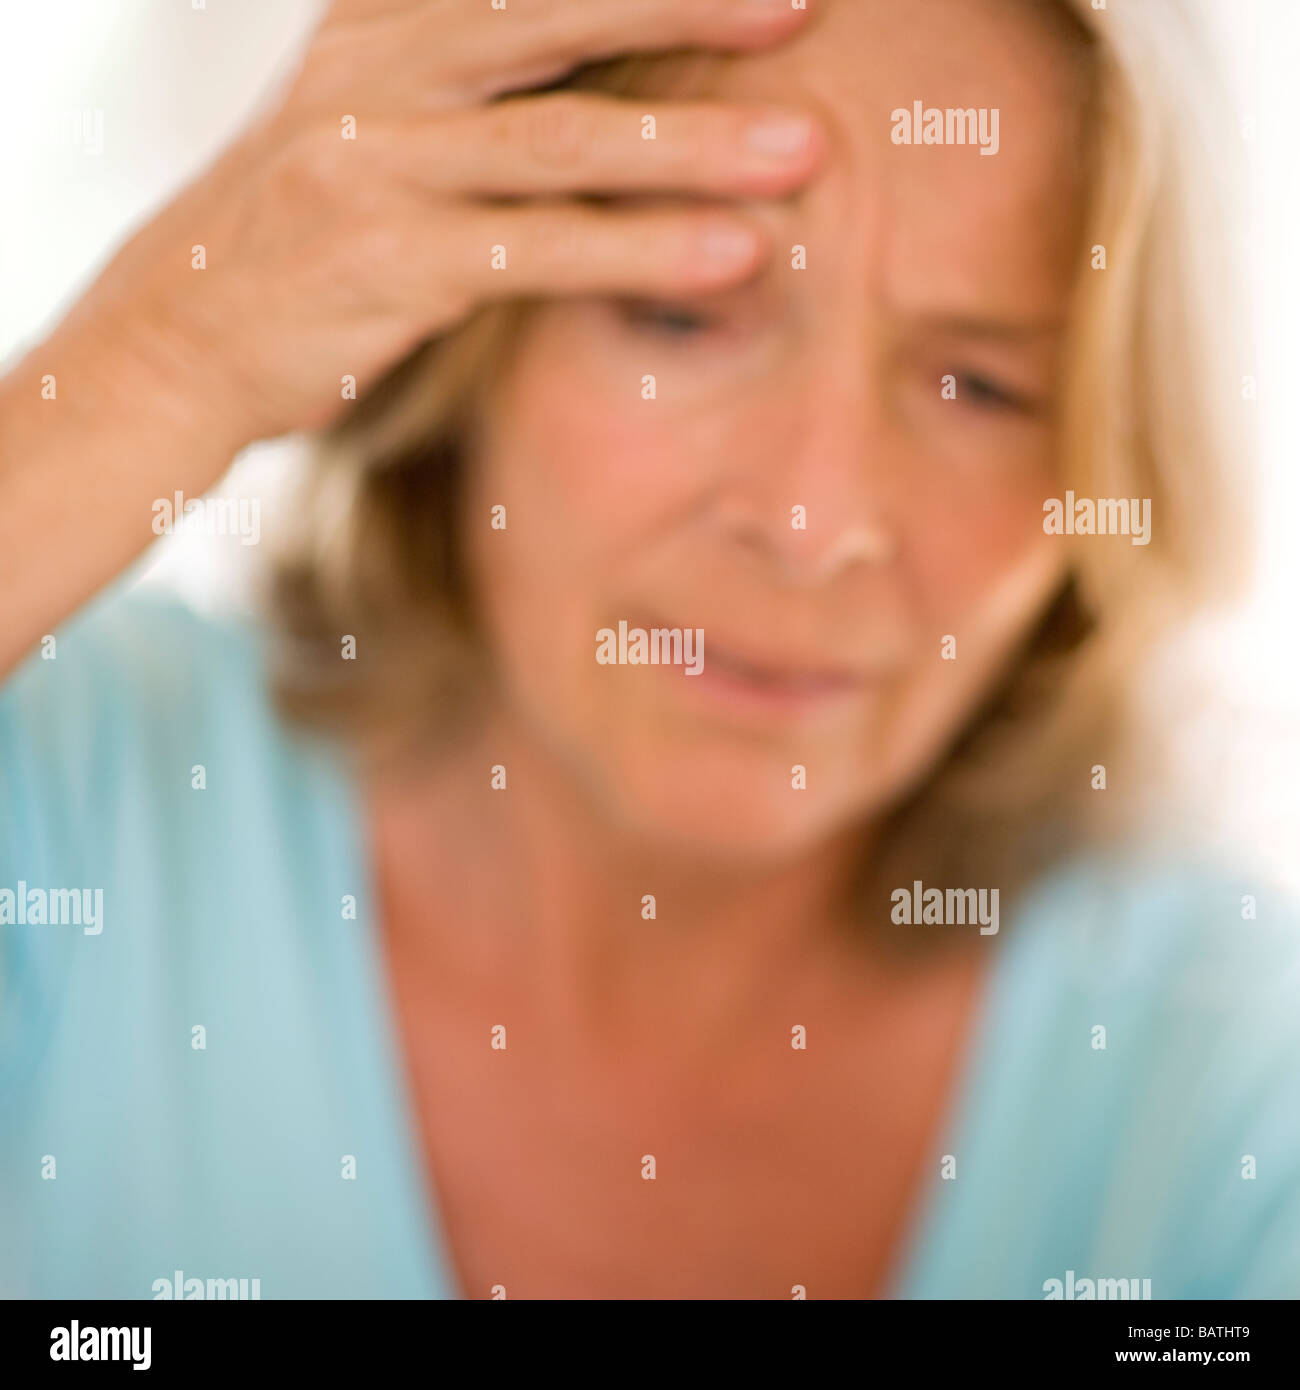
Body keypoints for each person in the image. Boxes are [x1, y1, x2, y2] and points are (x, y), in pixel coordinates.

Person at [1, 0, 1296, 1300]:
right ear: (454, 332)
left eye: (981, 387)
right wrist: (165, 359)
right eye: (679, 318)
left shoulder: (1223, 1081)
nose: (810, 521)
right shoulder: (86, 803)